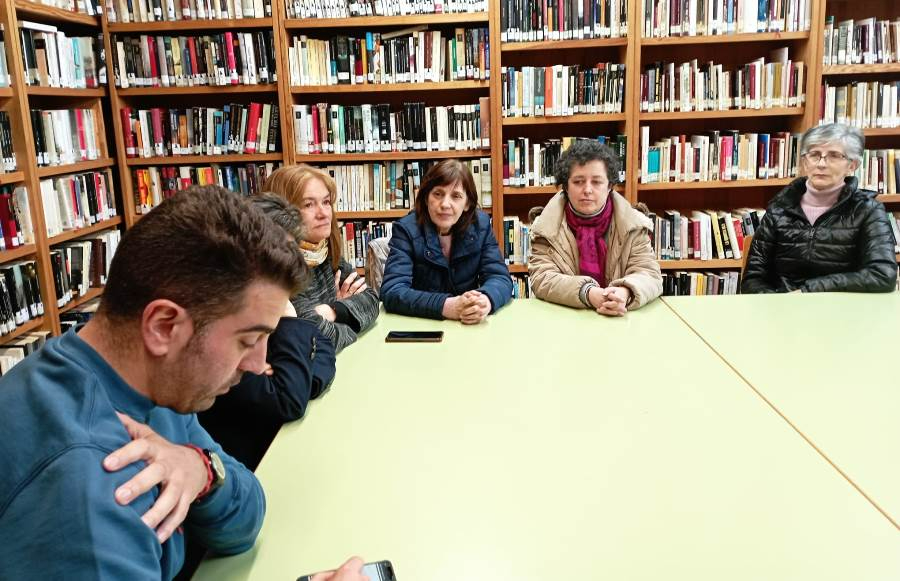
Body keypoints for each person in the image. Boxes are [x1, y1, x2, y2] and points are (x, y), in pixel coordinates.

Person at [0, 186, 307, 579]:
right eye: (247, 340)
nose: (259, 363)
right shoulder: (95, 481)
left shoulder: (148, 382)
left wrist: (203, 471)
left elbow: (246, 520)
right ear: (164, 326)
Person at [198, 193, 337, 471]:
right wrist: (288, 322)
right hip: (248, 462)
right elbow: (288, 401)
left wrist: (297, 378)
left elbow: (323, 346)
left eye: (291, 252)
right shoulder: (225, 317)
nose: (286, 264)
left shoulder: (273, 292)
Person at [742, 123, 898, 293]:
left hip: (841, 306)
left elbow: (882, 275)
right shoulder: (779, 208)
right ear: (805, 162)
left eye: (834, 155)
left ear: (852, 165)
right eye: (814, 155)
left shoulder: (868, 210)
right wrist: (778, 303)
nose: (821, 164)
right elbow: (753, 278)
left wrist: (809, 290)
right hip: (784, 304)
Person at [528, 140, 662, 315]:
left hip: (621, 318)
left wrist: (625, 292)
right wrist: (587, 293)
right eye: (578, 182)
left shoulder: (633, 225)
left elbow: (649, 274)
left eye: (597, 182)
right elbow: (542, 278)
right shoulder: (545, 228)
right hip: (566, 319)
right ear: (566, 186)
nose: (587, 190)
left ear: (610, 186)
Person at [264, 165, 380, 352]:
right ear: (282, 212)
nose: (324, 213)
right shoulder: (276, 269)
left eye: (326, 202)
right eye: (308, 204)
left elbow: (372, 300)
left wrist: (332, 310)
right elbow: (316, 340)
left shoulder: (323, 252)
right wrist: (348, 315)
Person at [380, 159, 512, 323]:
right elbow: (392, 291)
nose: (445, 204)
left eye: (456, 196)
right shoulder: (406, 229)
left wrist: (485, 300)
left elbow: (500, 278)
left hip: (468, 324)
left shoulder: (481, 225)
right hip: (422, 324)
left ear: (467, 203)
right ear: (426, 198)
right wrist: (447, 306)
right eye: (438, 194)